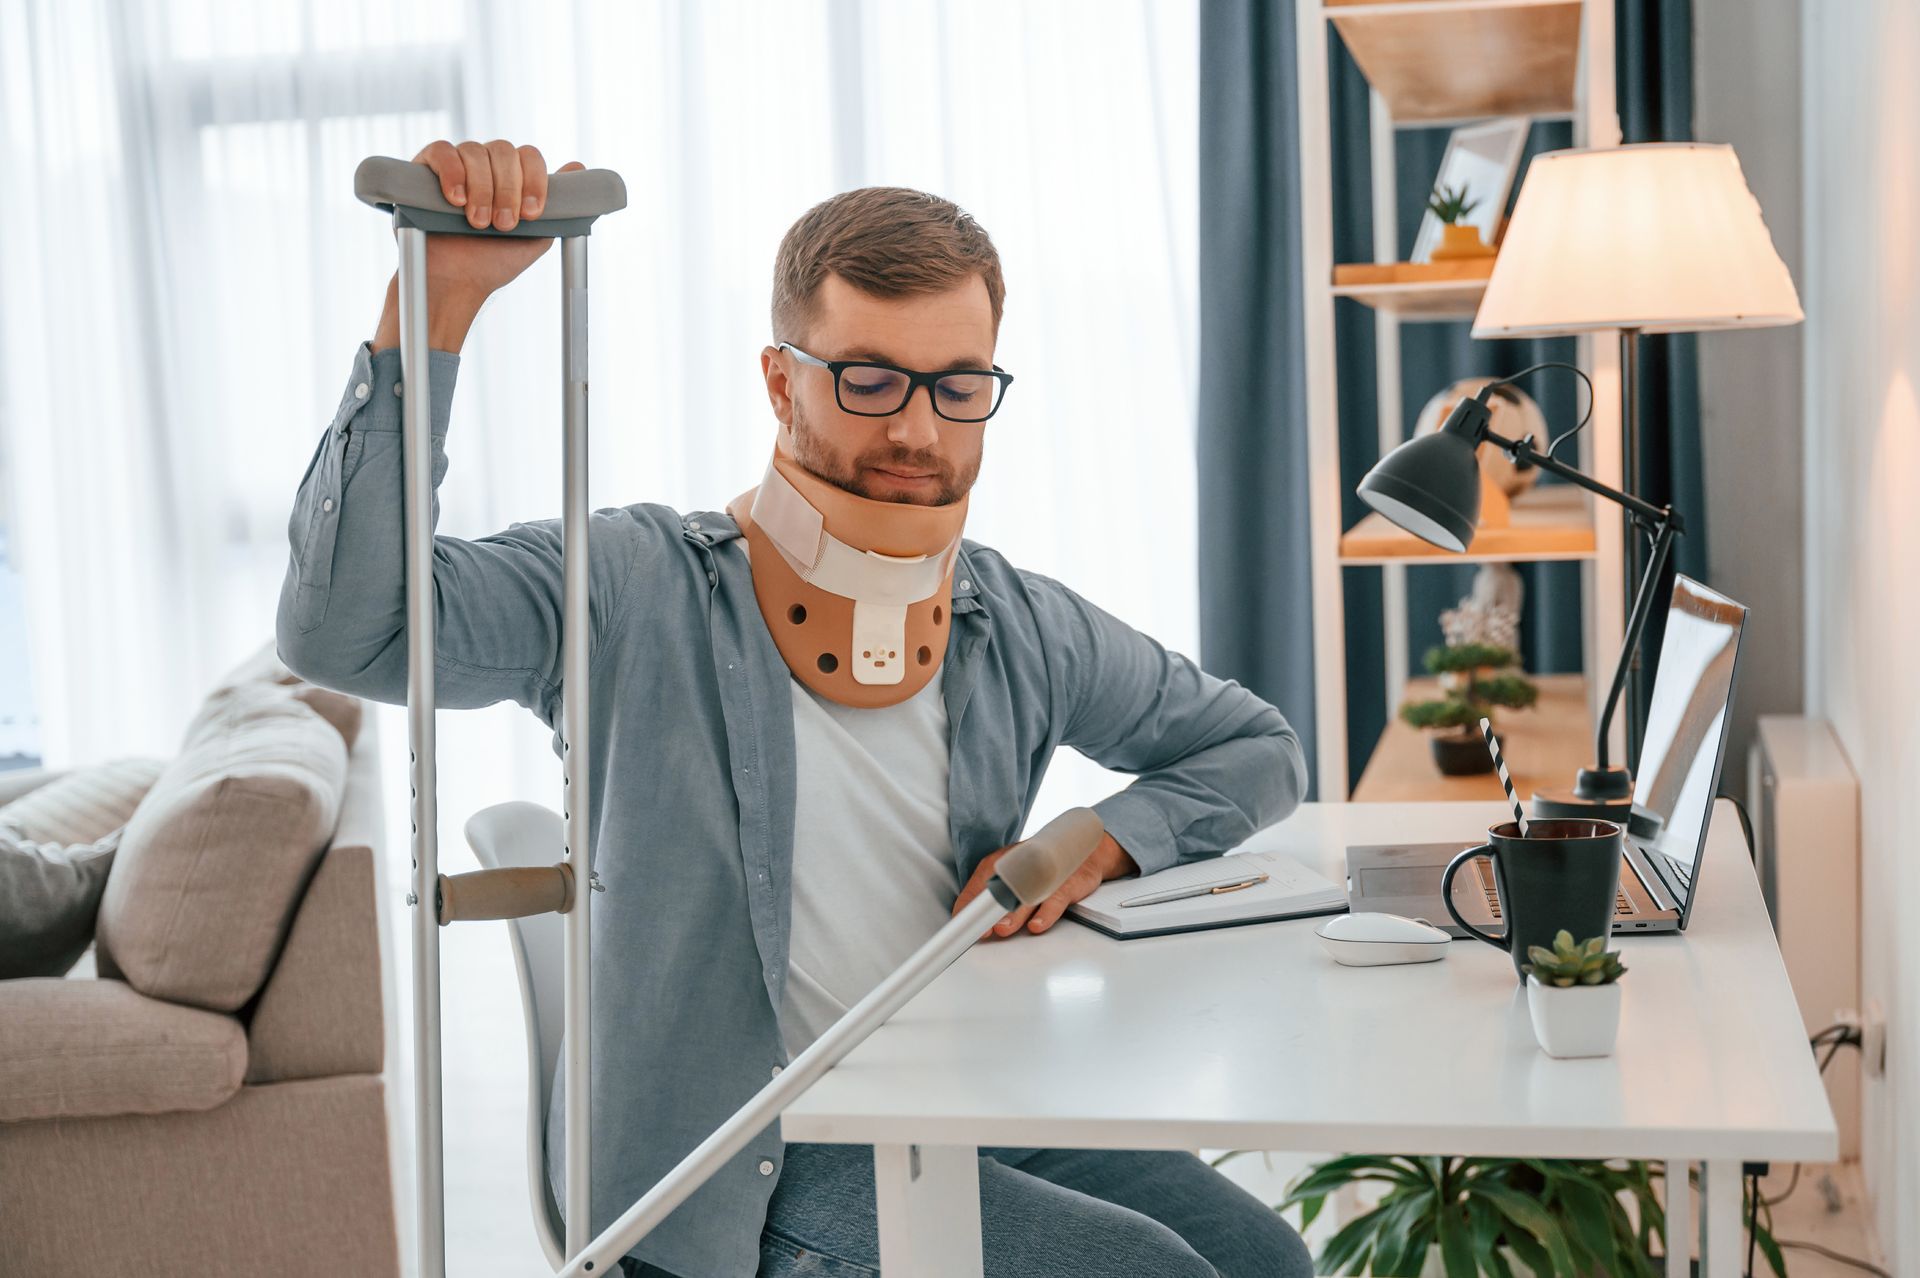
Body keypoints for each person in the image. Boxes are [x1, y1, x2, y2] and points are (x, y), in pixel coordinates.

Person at [278, 138, 1313, 1278]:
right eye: (867, 380)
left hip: (951, 1097)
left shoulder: (1014, 619)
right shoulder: (629, 585)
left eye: (958, 386)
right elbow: (349, 631)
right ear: (781, 381)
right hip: (728, 1153)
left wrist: (1100, 840)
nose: (917, 430)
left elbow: (1255, 747)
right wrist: (434, 306)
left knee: (1265, 1260)